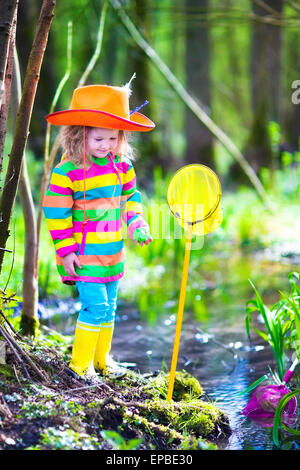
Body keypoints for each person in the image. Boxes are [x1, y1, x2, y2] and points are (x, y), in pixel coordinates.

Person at [43, 79, 155, 382]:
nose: (106, 146)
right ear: (80, 137)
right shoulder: (67, 172)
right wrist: (64, 252)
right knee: (95, 306)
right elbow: (56, 212)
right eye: (98, 140)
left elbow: (131, 199)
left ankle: (102, 360)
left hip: (112, 253)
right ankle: (80, 366)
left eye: (112, 139)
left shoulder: (121, 167)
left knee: (110, 307)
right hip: (83, 254)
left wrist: (137, 222)